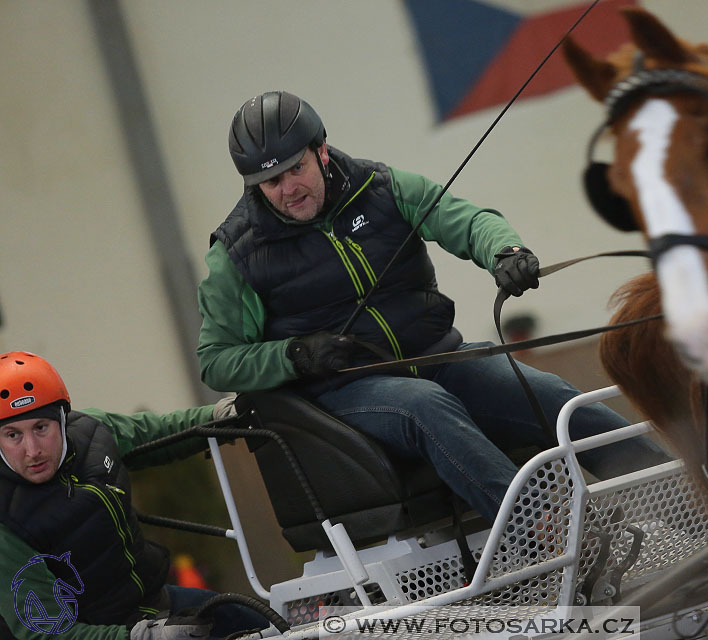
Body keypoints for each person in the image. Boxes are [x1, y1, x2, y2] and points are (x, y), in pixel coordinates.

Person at [197, 90, 670, 525]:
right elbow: (216, 360)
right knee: (427, 406)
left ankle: (684, 496)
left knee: (548, 393)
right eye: (270, 181)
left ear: (320, 150)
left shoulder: (380, 187)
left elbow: (465, 220)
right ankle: (552, 533)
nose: (286, 190)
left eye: (295, 170)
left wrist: (505, 253)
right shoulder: (237, 254)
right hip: (348, 394)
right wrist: (295, 355)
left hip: (439, 358)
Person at [0, 352, 266, 640]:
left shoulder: (91, 433)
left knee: (259, 624)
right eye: (13, 435)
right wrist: (139, 637)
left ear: (62, 419)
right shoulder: (4, 522)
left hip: (156, 603)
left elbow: (156, 432)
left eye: (41, 428)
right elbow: (44, 631)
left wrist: (216, 418)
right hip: (103, 633)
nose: (32, 450)